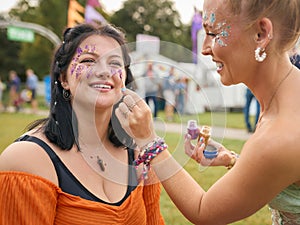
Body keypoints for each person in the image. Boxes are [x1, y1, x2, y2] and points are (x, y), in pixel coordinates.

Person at [115, 0, 300, 224]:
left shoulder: (281, 134)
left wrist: (149, 140)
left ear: (261, 34)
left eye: (212, 33)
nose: (204, 48)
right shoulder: (287, 99)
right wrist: (233, 160)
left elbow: (204, 211)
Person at [0, 23, 164, 224]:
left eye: (114, 63)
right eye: (88, 60)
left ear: (124, 81)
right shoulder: (27, 159)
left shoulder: (141, 153)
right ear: (64, 79)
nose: (104, 71)